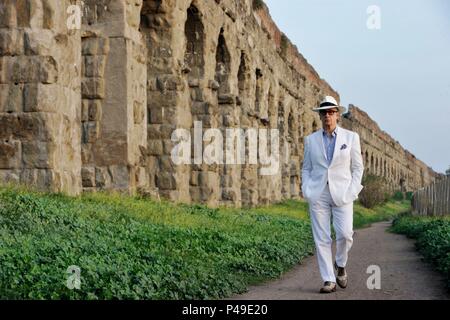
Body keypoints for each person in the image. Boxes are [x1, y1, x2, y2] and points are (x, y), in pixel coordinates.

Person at [301, 96, 364, 293]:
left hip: (343, 193)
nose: (327, 116)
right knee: (322, 238)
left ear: (337, 115)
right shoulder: (310, 140)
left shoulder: (351, 138)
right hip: (318, 193)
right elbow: (306, 168)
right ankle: (329, 279)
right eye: (324, 112)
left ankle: (341, 264)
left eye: (331, 112)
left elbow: (357, 168)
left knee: (345, 235)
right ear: (320, 116)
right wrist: (306, 188)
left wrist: (352, 191)